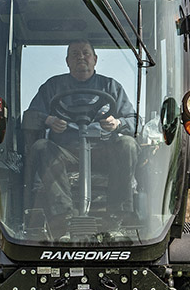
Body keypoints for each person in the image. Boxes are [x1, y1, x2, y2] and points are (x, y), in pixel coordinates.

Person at [23, 40, 139, 235]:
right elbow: (30, 117)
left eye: (86, 53)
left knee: (128, 144)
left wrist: (117, 123)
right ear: (67, 61)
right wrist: (49, 120)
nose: (81, 57)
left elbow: (134, 121)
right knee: (42, 146)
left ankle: (116, 219)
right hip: (66, 152)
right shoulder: (52, 86)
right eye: (75, 54)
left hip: (103, 151)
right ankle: (64, 220)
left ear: (95, 59)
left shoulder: (111, 86)